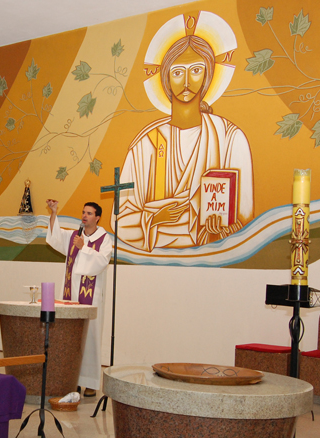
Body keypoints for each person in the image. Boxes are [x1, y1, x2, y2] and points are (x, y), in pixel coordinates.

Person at [116, 34, 254, 252]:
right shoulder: (146, 144)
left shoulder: (229, 138)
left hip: (208, 256)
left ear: (208, 75)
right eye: (178, 72)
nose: (187, 82)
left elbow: (245, 218)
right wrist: (155, 218)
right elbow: (121, 218)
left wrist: (220, 225)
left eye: (196, 70)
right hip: (154, 257)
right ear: (166, 79)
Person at [46, 199, 112, 396]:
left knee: (90, 336)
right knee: (72, 337)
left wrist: (84, 248)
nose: (84, 216)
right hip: (71, 293)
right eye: (83, 212)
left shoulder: (104, 238)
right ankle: (73, 378)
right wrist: (54, 212)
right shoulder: (74, 235)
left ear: (98, 218)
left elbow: (102, 261)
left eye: (89, 213)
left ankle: (90, 382)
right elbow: (55, 236)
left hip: (91, 296)